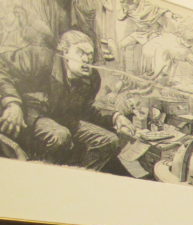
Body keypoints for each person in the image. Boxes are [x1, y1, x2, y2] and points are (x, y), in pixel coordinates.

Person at [0, 28, 118, 170]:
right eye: (81, 52)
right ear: (65, 52)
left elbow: (86, 110)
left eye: (90, 54)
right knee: (60, 135)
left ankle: (80, 177)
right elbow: (2, 65)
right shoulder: (40, 57)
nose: (87, 59)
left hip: (64, 121)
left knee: (109, 141)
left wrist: (115, 117)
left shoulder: (91, 79)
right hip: (28, 117)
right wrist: (12, 103)